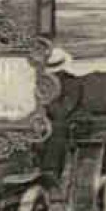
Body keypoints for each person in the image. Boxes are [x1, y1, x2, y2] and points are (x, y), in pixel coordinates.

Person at [39, 47, 83, 178]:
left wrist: (45, 102)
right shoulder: (39, 82)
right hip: (42, 119)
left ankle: (50, 170)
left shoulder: (72, 83)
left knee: (57, 128)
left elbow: (62, 111)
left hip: (71, 119)